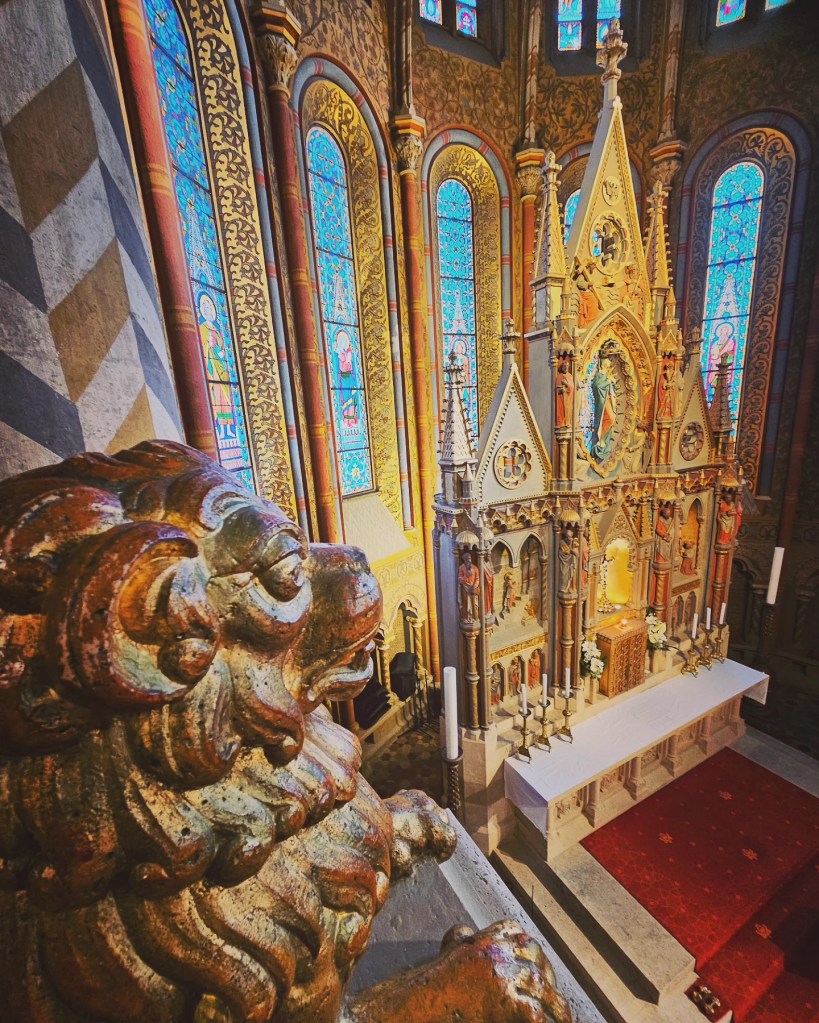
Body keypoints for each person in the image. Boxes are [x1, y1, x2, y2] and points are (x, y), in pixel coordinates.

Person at [591, 354, 617, 461]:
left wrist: (612, 383)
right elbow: (597, 386)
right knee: (609, 418)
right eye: (606, 362)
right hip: (602, 401)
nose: (608, 364)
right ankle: (599, 440)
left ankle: (603, 441)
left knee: (612, 418)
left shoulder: (606, 374)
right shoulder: (598, 374)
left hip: (608, 399)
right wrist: (608, 382)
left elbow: (611, 388)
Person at [458, 551, 480, 623]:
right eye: (467, 559)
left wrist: (474, 586)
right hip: (465, 588)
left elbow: (477, 579)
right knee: (465, 603)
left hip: (473, 589)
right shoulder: (461, 568)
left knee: (474, 604)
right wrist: (466, 576)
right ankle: (466, 618)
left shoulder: (475, 568)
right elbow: (460, 579)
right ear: (464, 560)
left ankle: (474, 617)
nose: (469, 560)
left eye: (470, 559)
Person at [555, 354, 574, 428]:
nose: (566, 368)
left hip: (570, 398)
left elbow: (572, 386)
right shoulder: (560, 376)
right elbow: (558, 388)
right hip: (563, 398)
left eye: (567, 366)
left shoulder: (570, 375)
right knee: (562, 412)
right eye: (564, 366)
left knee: (570, 411)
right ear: (561, 367)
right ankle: (562, 423)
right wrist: (563, 389)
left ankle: (568, 422)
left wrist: (567, 384)